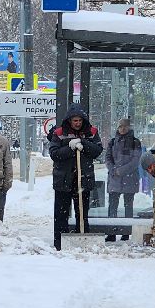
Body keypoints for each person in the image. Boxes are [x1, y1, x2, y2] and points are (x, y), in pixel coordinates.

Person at [47, 103, 103, 247]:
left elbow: (97, 151)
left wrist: (83, 142)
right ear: (69, 121)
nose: (77, 123)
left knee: (82, 214)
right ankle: (60, 243)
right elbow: (54, 154)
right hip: (63, 180)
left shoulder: (92, 132)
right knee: (61, 214)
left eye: (80, 120)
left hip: (83, 180)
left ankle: (82, 240)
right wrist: (70, 148)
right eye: (75, 121)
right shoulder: (59, 133)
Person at [103, 118, 143, 242]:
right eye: (120, 126)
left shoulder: (135, 142)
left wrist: (121, 170)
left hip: (129, 179)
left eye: (125, 126)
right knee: (112, 207)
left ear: (129, 128)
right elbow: (107, 158)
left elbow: (135, 161)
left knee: (128, 206)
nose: (122, 129)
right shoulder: (113, 142)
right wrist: (113, 169)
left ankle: (126, 232)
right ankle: (111, 232)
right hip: (115, 178)